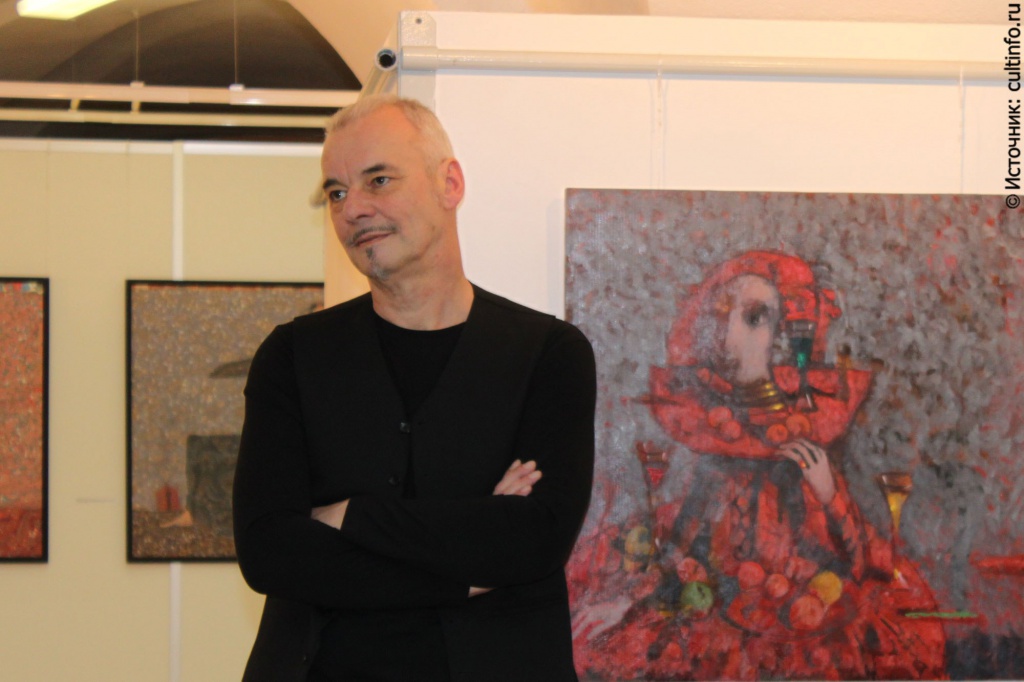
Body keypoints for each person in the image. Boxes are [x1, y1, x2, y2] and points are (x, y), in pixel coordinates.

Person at [232, 94, 596, 682]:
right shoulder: (293, 356)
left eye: (378, 180)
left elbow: (534, 540)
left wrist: (351, 517)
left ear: (449, 184)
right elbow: (269, 552)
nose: (353, 209)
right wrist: (466, 563)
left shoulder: (548, 354)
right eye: (337, 192)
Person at [571, 250, 945, 680]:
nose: (731, 331)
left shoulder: (803, 425)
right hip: (726, 601)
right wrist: (632, 597)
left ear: (778, 331)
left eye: (753, 317)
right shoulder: (714, 425)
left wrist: (827, 490)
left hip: (798, 606)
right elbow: (686, 536)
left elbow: (856, 556)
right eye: (723, 315)